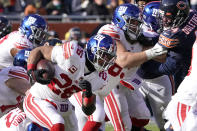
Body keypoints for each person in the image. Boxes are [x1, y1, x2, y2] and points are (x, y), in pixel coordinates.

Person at [69, 3, 168, 131]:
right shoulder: (110, 30)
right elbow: (122, 60)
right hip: (97, 82)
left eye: (138, 23)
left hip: (119, 81)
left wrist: (166, 47)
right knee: (106, 121)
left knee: (142, 117)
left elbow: (161, 56)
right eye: (133, 22)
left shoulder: (139, 38)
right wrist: (151, 52)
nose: (137, 26)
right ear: (120, 20)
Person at [23, 33, 117, 131]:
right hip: (39, 98)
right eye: (104, 55)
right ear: (92, 50)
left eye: (109, 57)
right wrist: (31, 71)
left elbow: (88, 111)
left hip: (63, 104)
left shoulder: (100, 77)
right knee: (57, 123)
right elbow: (39, 50)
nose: (107, 60)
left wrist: (88, 93)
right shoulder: (72, 52)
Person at [158, 0, 197, 130]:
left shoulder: (176, 35)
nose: (164, 19)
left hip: (189, 78)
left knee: (175, 115)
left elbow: (167, 62)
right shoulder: (192, 15)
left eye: (168, 16)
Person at [136, 1, 175, 130]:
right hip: (137, 78)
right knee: (132, 118)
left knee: (166, 121)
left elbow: (167, 57)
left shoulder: (170, 32)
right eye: (162, 17)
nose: (166, 20)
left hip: (160, 78)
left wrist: (143, 47)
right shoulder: (136, 28)